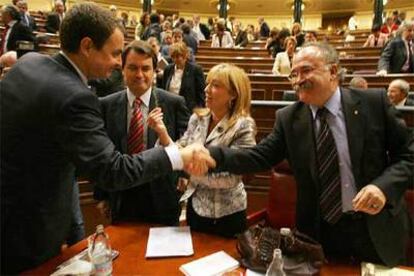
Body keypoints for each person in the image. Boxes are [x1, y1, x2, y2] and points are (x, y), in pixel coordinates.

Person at [0, 3, 214, 274]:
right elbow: (113, 170)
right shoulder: (75, 96)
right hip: (26, 226)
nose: (117, 62)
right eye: (114, 53)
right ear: (87, 46)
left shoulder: (29, 62)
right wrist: (177, 155)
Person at [204, 42, 413, 267]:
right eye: (293, 74)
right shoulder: (289, 118)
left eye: (305, 70)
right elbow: (258, 156)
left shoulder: (373, 103)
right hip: (318, 238)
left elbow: (409, 155)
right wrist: (209, 155)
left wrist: (382, 187)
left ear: (333, 72)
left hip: (375, 230)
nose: (297, 79)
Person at [154, 63, 257, 237]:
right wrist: (163, 134)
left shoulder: (243, 126)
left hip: (227, 215)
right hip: (196, 209)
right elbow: (182, 147)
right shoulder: (198, 118)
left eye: (215, 85)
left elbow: (232, 178)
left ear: (233, 94)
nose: (207, 89)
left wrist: (186, 171)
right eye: (208, 83)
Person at [94, 40, 190, 225]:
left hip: (163, 197)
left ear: (154, 71)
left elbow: (185, 143)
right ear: (122, 69)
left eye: (145, 68)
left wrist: (182, 179)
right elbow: (102, 155)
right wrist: (102, 196)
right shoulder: (106, 105)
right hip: (121, 197)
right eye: (132, 68)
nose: (139, 75)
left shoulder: (174, 103)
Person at [161, 42, 205, 112]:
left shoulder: (196, 70)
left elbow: (201, 94)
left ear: (185, 55)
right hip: (170, 109)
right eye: (173, 57)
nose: (175, 59)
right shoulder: (168, 69)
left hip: (188, 110)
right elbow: (163, 90)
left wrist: (199, 111)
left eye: (178, 56)